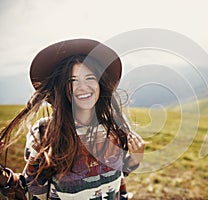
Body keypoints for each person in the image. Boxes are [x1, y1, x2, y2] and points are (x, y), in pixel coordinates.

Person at [0, 39, 145, 199]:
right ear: (62, 87)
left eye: (90, 78)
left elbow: (117, 173)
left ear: (100, 83)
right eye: (72, 81)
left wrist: (135, 158)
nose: (82, 87)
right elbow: (30, 192)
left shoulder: (114, 127)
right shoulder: (46, 133)